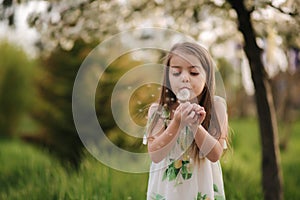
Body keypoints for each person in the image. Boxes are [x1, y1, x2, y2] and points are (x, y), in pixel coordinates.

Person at [143, 42, 229, 200]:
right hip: (168, 191)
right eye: (176, 72)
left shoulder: (216, 106)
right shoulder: (159, 110)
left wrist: (195, 126)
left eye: (194, 73)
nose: (184, 78)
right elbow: (155, 155)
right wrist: (176, 123)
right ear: (168, 77)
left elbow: (215, 154)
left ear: (207, 76)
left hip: (201, 189)